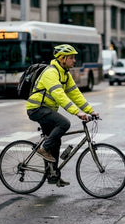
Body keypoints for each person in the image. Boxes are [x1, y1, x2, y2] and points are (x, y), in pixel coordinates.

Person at [26, 44, 99, 186]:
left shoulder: (65, 74)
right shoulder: (51, 73)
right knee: (64, 123)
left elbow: (75, 94)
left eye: (74, 58)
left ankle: (53, 175)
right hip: (37, 109)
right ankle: (44, 148)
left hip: (47, 109)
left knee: (56, 141)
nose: (74, 61)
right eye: (71, 58)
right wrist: (77, 112)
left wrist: (90, 110)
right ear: (62, 58)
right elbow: (59, 95)